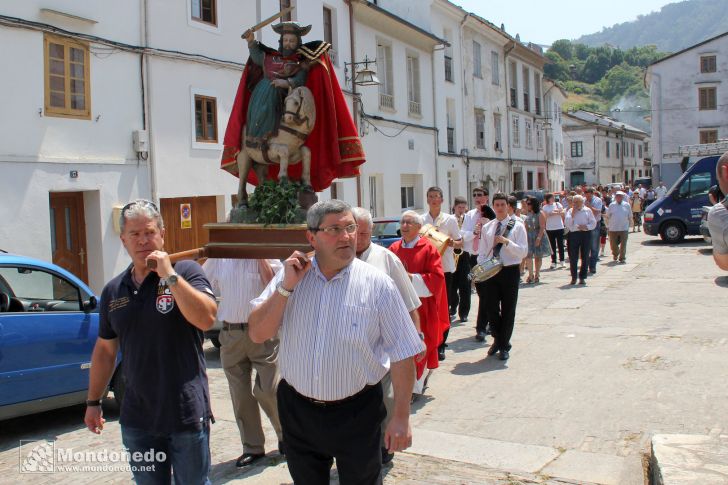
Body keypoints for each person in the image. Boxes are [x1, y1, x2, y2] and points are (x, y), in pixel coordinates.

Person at [248, 200, 423, 485]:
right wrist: (286, 287)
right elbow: (257, 333)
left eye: (350, 228)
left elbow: (404, 352)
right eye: (334, 229)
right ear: (311, 237)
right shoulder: (291, 275)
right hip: (298, 410)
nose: (346, 237)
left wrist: (401, 416)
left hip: (358, 413)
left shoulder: (378, 284)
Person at [84, 199, 218, 484]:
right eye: (135, 234)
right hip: (137, 419)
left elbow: (206, 318)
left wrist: (169, 275)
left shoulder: (187, 272)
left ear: (162, 234)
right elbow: (106, 351)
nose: (143, 240)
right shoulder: (113, 290)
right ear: (123, 240)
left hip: (184, 414)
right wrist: (93, 401)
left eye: (149, 232)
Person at [221, 22, 365, 192]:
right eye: (286, 40)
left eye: (291, 41)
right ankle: (258, 139)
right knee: (265, 106)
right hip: (264, 95)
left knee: (295, 106)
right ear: (281, 42)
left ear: (297, 43)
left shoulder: (300, 63)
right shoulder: (270, 58)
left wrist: (286, 82)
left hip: (287, 92)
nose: (288, 43)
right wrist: (251, 41)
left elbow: (301, 80)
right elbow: (256, 57)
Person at [352, 207, 423, 465]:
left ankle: (385, 446)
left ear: (370, 232)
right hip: (353, 347)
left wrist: (416, 335)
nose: (357, 238)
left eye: (363, 233)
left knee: (388, 399)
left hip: (385, 343)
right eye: (354, 232)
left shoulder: (386, 259)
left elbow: (409, 302)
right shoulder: (337, 259)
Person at [202, 257, 283, 467]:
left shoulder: (265, 254)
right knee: (240, 394)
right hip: (231, 333)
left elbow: (276, 287)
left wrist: (260, 257)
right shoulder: (219, 259)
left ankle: (288, 438)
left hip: (262, 332)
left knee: (269, 389)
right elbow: (203, 284)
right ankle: (253, 447)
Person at [389, 211, 450, 390]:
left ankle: (416, 385)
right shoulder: (393, 249)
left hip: (422, 306)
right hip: (398, 306)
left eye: (409, 223)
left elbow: (437, 278)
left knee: (421, 344)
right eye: (403, 222)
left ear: (418, 227)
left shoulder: (428, 248)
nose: (405, 226)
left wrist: (411, 279)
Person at [475, 193, 528, 361]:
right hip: (491, 270)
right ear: (493, 206)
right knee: (490, 307)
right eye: (496, 205)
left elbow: (523, 252)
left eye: (502, 205)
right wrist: (482, 267)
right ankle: (498, 338)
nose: (499, 208)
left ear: (508, 206)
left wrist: (507, 242)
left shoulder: (517, 226)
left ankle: (503, 345)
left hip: (510, 269)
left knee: (508, 309)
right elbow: (482, 252)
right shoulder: (488, 227)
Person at [422, 186, 462, 360]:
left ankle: (441, 344)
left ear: (442, 200)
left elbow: (460, 242)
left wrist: (450, 242)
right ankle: (429, 341)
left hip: (445, 268)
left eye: (437, 197)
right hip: (426, 268)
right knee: (428, 307)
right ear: (427, 199)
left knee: (443, 308)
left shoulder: (449, 220)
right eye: (431, 197)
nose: (434, 200)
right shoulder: (421, 219)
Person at [461, 187, 496, 341]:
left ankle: (482, 327)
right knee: (483, 293)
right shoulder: (469, 215)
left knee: (487, 293)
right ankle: (487, 324)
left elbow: (496, 233)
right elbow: (463, 234)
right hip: (473, 257)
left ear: (486, 197)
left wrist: (487, 224)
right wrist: (474, 233)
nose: (477, 197)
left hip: (488, 257)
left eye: (480, 195)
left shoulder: (493, 214)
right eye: (474, 195)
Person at [564, 195, 597, 285]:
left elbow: (593, 222)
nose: (575, 204)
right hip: (574, 234)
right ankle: (574, 277)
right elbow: (567, 223)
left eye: (577, 202)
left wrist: (587, 227)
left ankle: (582, 277)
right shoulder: (570, 211)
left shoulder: (587, 210)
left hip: (586, 234)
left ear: (582, 202)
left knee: (585, 255)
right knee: (573, 257)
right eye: (574, 202)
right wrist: (573, 214)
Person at [450, 197, 472, 323]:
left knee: (465, 285)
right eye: (459, 208)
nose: (462, 210)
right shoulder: (450, 219)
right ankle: (453, 306)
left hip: (464, 255)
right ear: (455, 207)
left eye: (464, 208)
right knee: (452, 285)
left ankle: (464, 313)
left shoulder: (468, 220)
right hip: (452, 254)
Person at [523, 196, 552, 284]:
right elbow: (525, 226)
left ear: (533, 204)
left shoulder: (540, 213)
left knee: (538, 256)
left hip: (538, 235)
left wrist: (538, 238)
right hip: (529, 236)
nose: (527, 205)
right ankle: (531, 275)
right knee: (528, 256)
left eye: (528, 204)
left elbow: (542, 227)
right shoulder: (528, 214)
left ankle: (537, 274)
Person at [708, 152, 728, 271]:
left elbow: (724, 263)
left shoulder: (719, 214)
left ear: (725, 173)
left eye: (718, 181)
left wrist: (716, 205)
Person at [606, 191, 632, 263]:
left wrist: (631, 223)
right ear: (615, 197)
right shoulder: (612, 205)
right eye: (617, 196)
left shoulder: (627, 205)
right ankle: (615, 253)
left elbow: (630, 216)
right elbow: (608, 216)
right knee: (613, 244)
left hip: (624, 227)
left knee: (623, 243)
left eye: (620, 196)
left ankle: (622, 257)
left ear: (623, 197)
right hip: (613, 228)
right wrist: (607, 225)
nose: (619, 197)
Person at [542, 193, 566, 269]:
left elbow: (563, 213)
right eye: (551, 198)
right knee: (552, 246)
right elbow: (545, 216)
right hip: (550, 228)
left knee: (560, 244)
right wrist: (551, 213)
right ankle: (553, 261)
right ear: (548, 199)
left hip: (559, 226)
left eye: (553, 197)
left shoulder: (558, 204)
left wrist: (558, 212)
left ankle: (562, 260)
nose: (553, 199)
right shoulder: (545, 207)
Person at [584, 187, 603, 274]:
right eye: (586, 196)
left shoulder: (598, 200)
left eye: (589, 196)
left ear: (592, 194)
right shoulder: (583, 200)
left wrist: (589, 207)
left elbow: (597, 212)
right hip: (585, 225)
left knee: (594, 246)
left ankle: (592, 267)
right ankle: (586, 265)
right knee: (586, 247)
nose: (587, 197)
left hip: (595, 224)